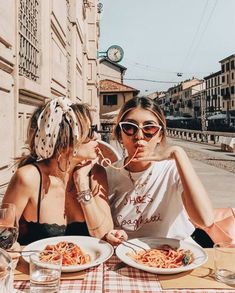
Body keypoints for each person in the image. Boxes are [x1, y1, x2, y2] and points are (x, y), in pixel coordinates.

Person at [3, 97, 114, 245]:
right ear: (66, 142)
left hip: (87, 264)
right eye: (90, 132)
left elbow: (103, 235)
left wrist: (82, 184)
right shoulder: (28, 178)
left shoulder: (96, 175)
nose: (97, 137)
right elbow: (3, 235)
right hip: (38, 266)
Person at [105, 96, 214, 244]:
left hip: (175, 253)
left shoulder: (173, 169)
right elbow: (103, 228)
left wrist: (178, 153)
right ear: (120, 134)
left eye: (149, 128)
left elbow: (205, 219)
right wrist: (109, 234)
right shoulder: (107, 175)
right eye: (130, 127)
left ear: (160, 135)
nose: (139, 136)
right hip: (128, 253)